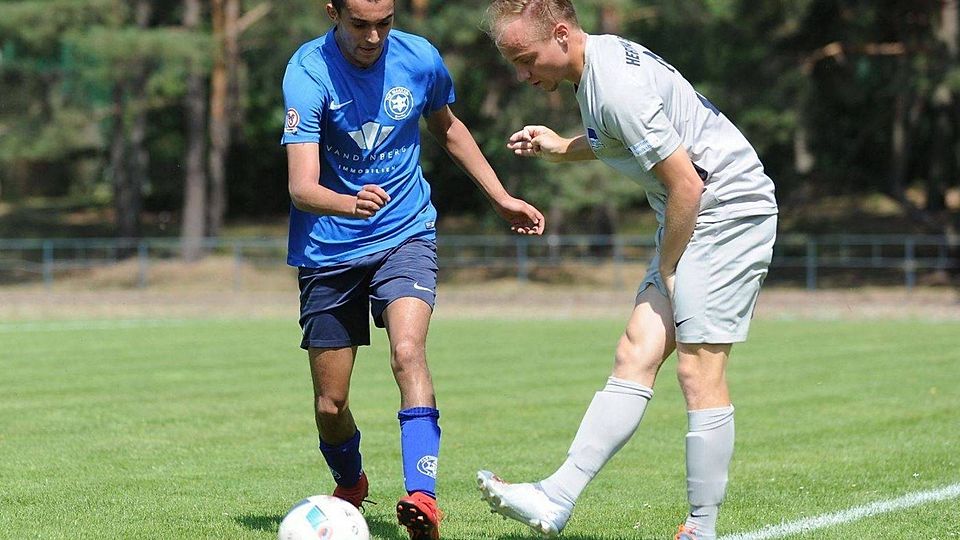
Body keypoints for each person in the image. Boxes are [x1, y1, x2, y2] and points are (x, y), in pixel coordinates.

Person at [475, 1, 778, 539]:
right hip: (697, 215)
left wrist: (667, 265)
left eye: (525, 59)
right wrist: (559, 148)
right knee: (634, 352)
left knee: (697, 370)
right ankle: (555, 498)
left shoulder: (614, 86)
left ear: (562, 35)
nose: (522, 75)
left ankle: (702, 529)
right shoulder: (596, 69)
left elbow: (688, 184)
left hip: (728, 211)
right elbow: (624, 142)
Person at [280, 1, 545, 538]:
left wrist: (498, 196)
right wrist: (347, 202)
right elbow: (301, 188)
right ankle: (351, 483)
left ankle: (422, 498)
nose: (374, 36)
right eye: (360, 24)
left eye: (385, 22)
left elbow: (447, 127)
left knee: (408, 351)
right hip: (329, 249)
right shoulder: (307, 72)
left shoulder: (419, 58)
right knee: (331, 404)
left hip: (406, 232)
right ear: (332, 12)